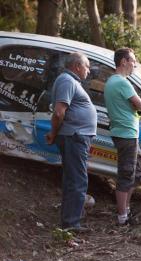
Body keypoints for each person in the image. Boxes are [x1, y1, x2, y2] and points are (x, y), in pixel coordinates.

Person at [46, 52, 97, 231]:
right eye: (87, 66)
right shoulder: (67, 80)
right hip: (74, 137)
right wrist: (53, 133)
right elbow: (59, 112)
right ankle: (71, 224)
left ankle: (70, 221)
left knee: (73, 179)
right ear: (77, 66)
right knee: (77, 180)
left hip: (75, 137)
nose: (89, 71)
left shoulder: (71, 81)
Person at [104, 48, 141, 225]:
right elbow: (139, 105)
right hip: (126, 134)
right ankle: (122, 217)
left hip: (125, 132)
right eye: (133, 61)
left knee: (135, 172)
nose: (134, 64)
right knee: (126, 173)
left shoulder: (112, 81)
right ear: (123, 61)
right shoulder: (122, 82)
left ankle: (127, 210)